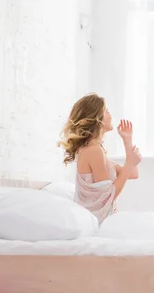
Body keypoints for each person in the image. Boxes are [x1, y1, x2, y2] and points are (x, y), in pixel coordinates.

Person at [59, 93, 142, 222]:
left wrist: (127, 140)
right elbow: (107, 196)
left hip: (104, 220)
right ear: (98, 118)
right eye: (107, 111)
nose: (111, 115)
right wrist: (130, 163)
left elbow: (133, 174)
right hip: (98, 224)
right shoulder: (93, 150)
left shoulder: (96, 149)